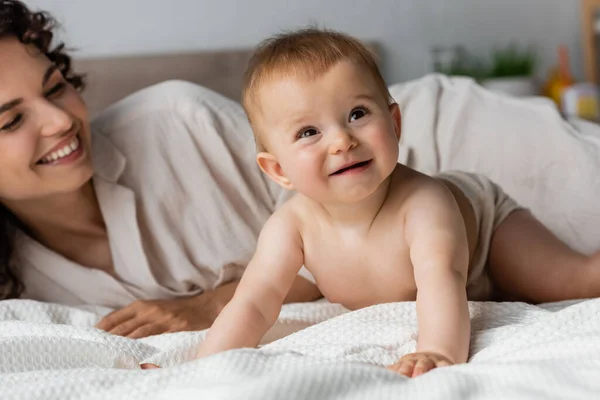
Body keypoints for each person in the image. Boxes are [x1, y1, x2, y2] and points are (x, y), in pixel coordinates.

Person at [193, 28, 600, 378]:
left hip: (485, 231)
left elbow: (440, 280)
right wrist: (202, 367)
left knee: (575, 282)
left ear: (395, 123)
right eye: (309, 132)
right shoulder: (290, 226)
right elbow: (253, 301)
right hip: (440, 261)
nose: (342, 141)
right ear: (278, 169)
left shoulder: (424, 203)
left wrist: (438, 352)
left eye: (357, 113)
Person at [0, 0, 321, 339]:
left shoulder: (182, 120)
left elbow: (346, 219)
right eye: (12, 121)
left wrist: (212, 305)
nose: (61, 120)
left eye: (54, 88)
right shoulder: (16, 290)